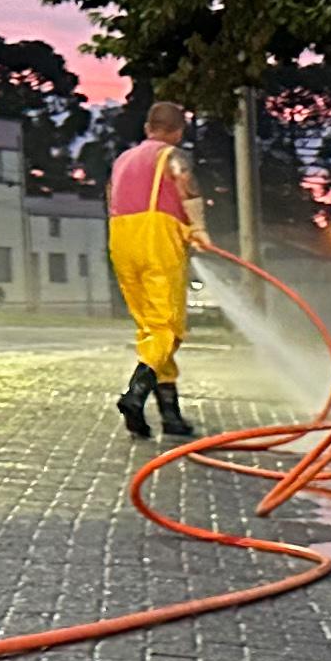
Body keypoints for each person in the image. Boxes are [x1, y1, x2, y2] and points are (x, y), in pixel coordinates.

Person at [107, 99, 202, 439]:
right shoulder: (171, 155)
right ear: (177, 132)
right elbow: (186, 186)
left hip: (121, 238)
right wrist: (199, 229)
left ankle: (171, 416)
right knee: (167, 328)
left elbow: (110, 198)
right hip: (156, 236)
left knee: (151, 328)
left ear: (148, 128)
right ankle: (135, 394)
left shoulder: (122, 160)